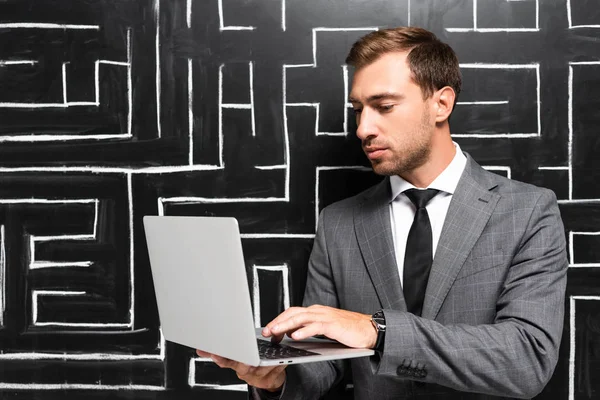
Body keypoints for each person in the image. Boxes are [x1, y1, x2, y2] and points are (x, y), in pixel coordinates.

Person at [196, 26, 568, 399]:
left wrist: (379, 331)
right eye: (358, 110)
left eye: (384, 107)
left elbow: (527, 358)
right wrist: (277, 380)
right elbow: (326, 363)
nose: (362, 129)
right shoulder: (338, 223)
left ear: (441, 103)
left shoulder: (528, 211)